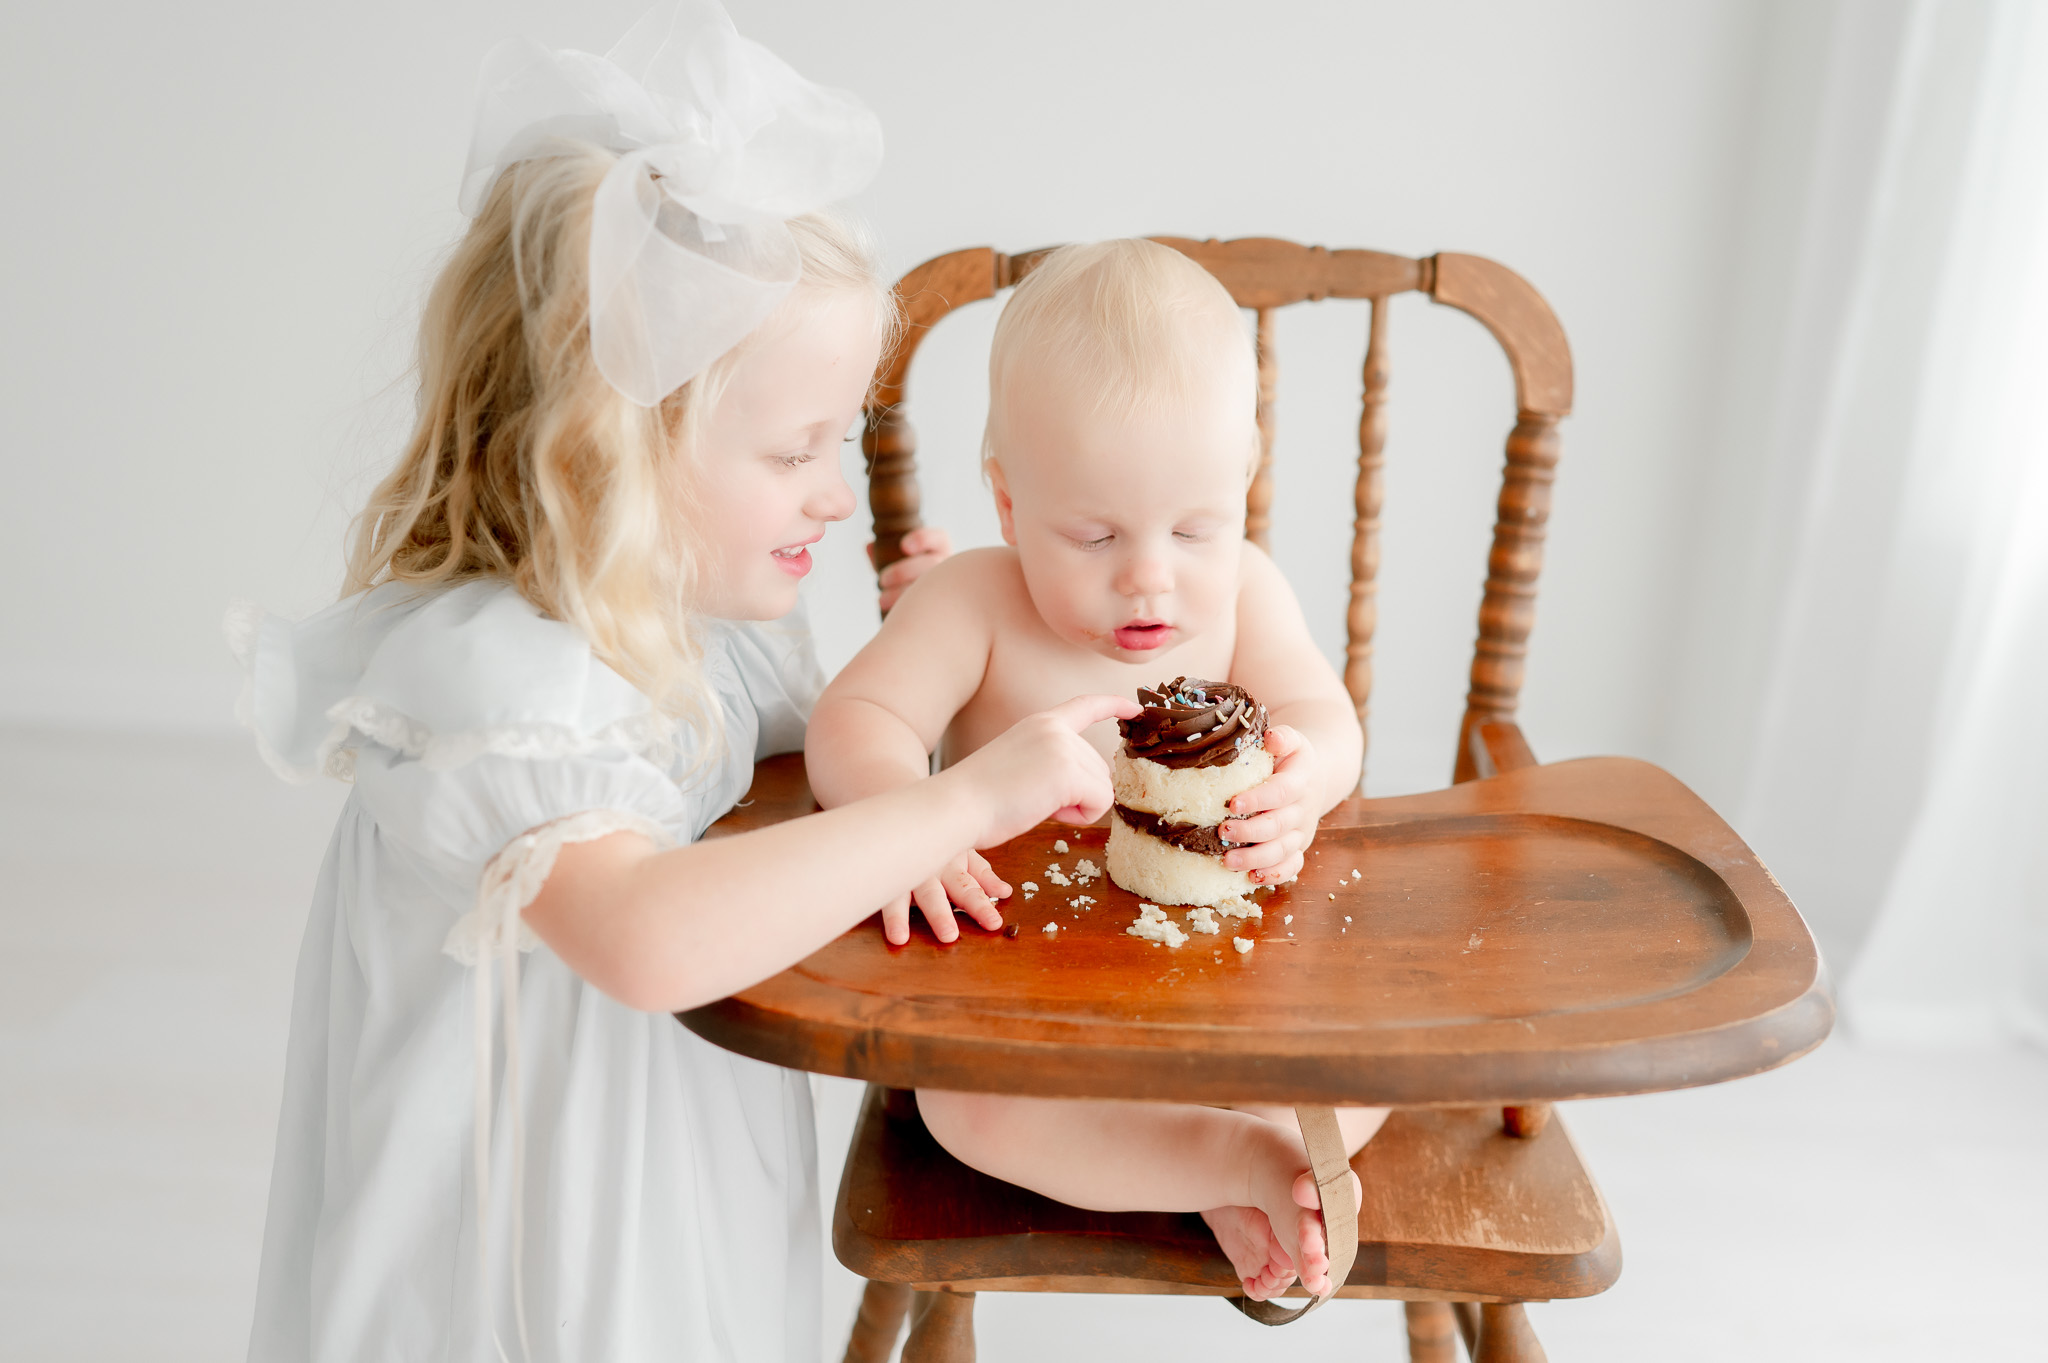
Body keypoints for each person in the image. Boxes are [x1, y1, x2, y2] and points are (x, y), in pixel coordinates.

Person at [232, 8, 1130, 1359]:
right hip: (515, 1247)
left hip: (664, 1175)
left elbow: (805, 781)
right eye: (792, 450)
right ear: (610, 448)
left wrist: (932, 668)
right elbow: (648, 935)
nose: (835, 491)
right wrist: (973, 802)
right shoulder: (494, 677)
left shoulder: (699, 623)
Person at [804, 238, 1386, 1303]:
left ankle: (1246, 1139)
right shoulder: (974, 603)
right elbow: (855, 717)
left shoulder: (1245, 594)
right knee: (965, 1112)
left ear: (1242, 497)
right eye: (1094, 533)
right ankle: (1217, 1161)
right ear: (1010, 504)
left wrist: (1310, 776)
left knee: (1386, 1057)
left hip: (1218, 979)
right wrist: (908, 819)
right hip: (1021, 995)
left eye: (1197, 527)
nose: (1149, 577)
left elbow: (1321, 715)